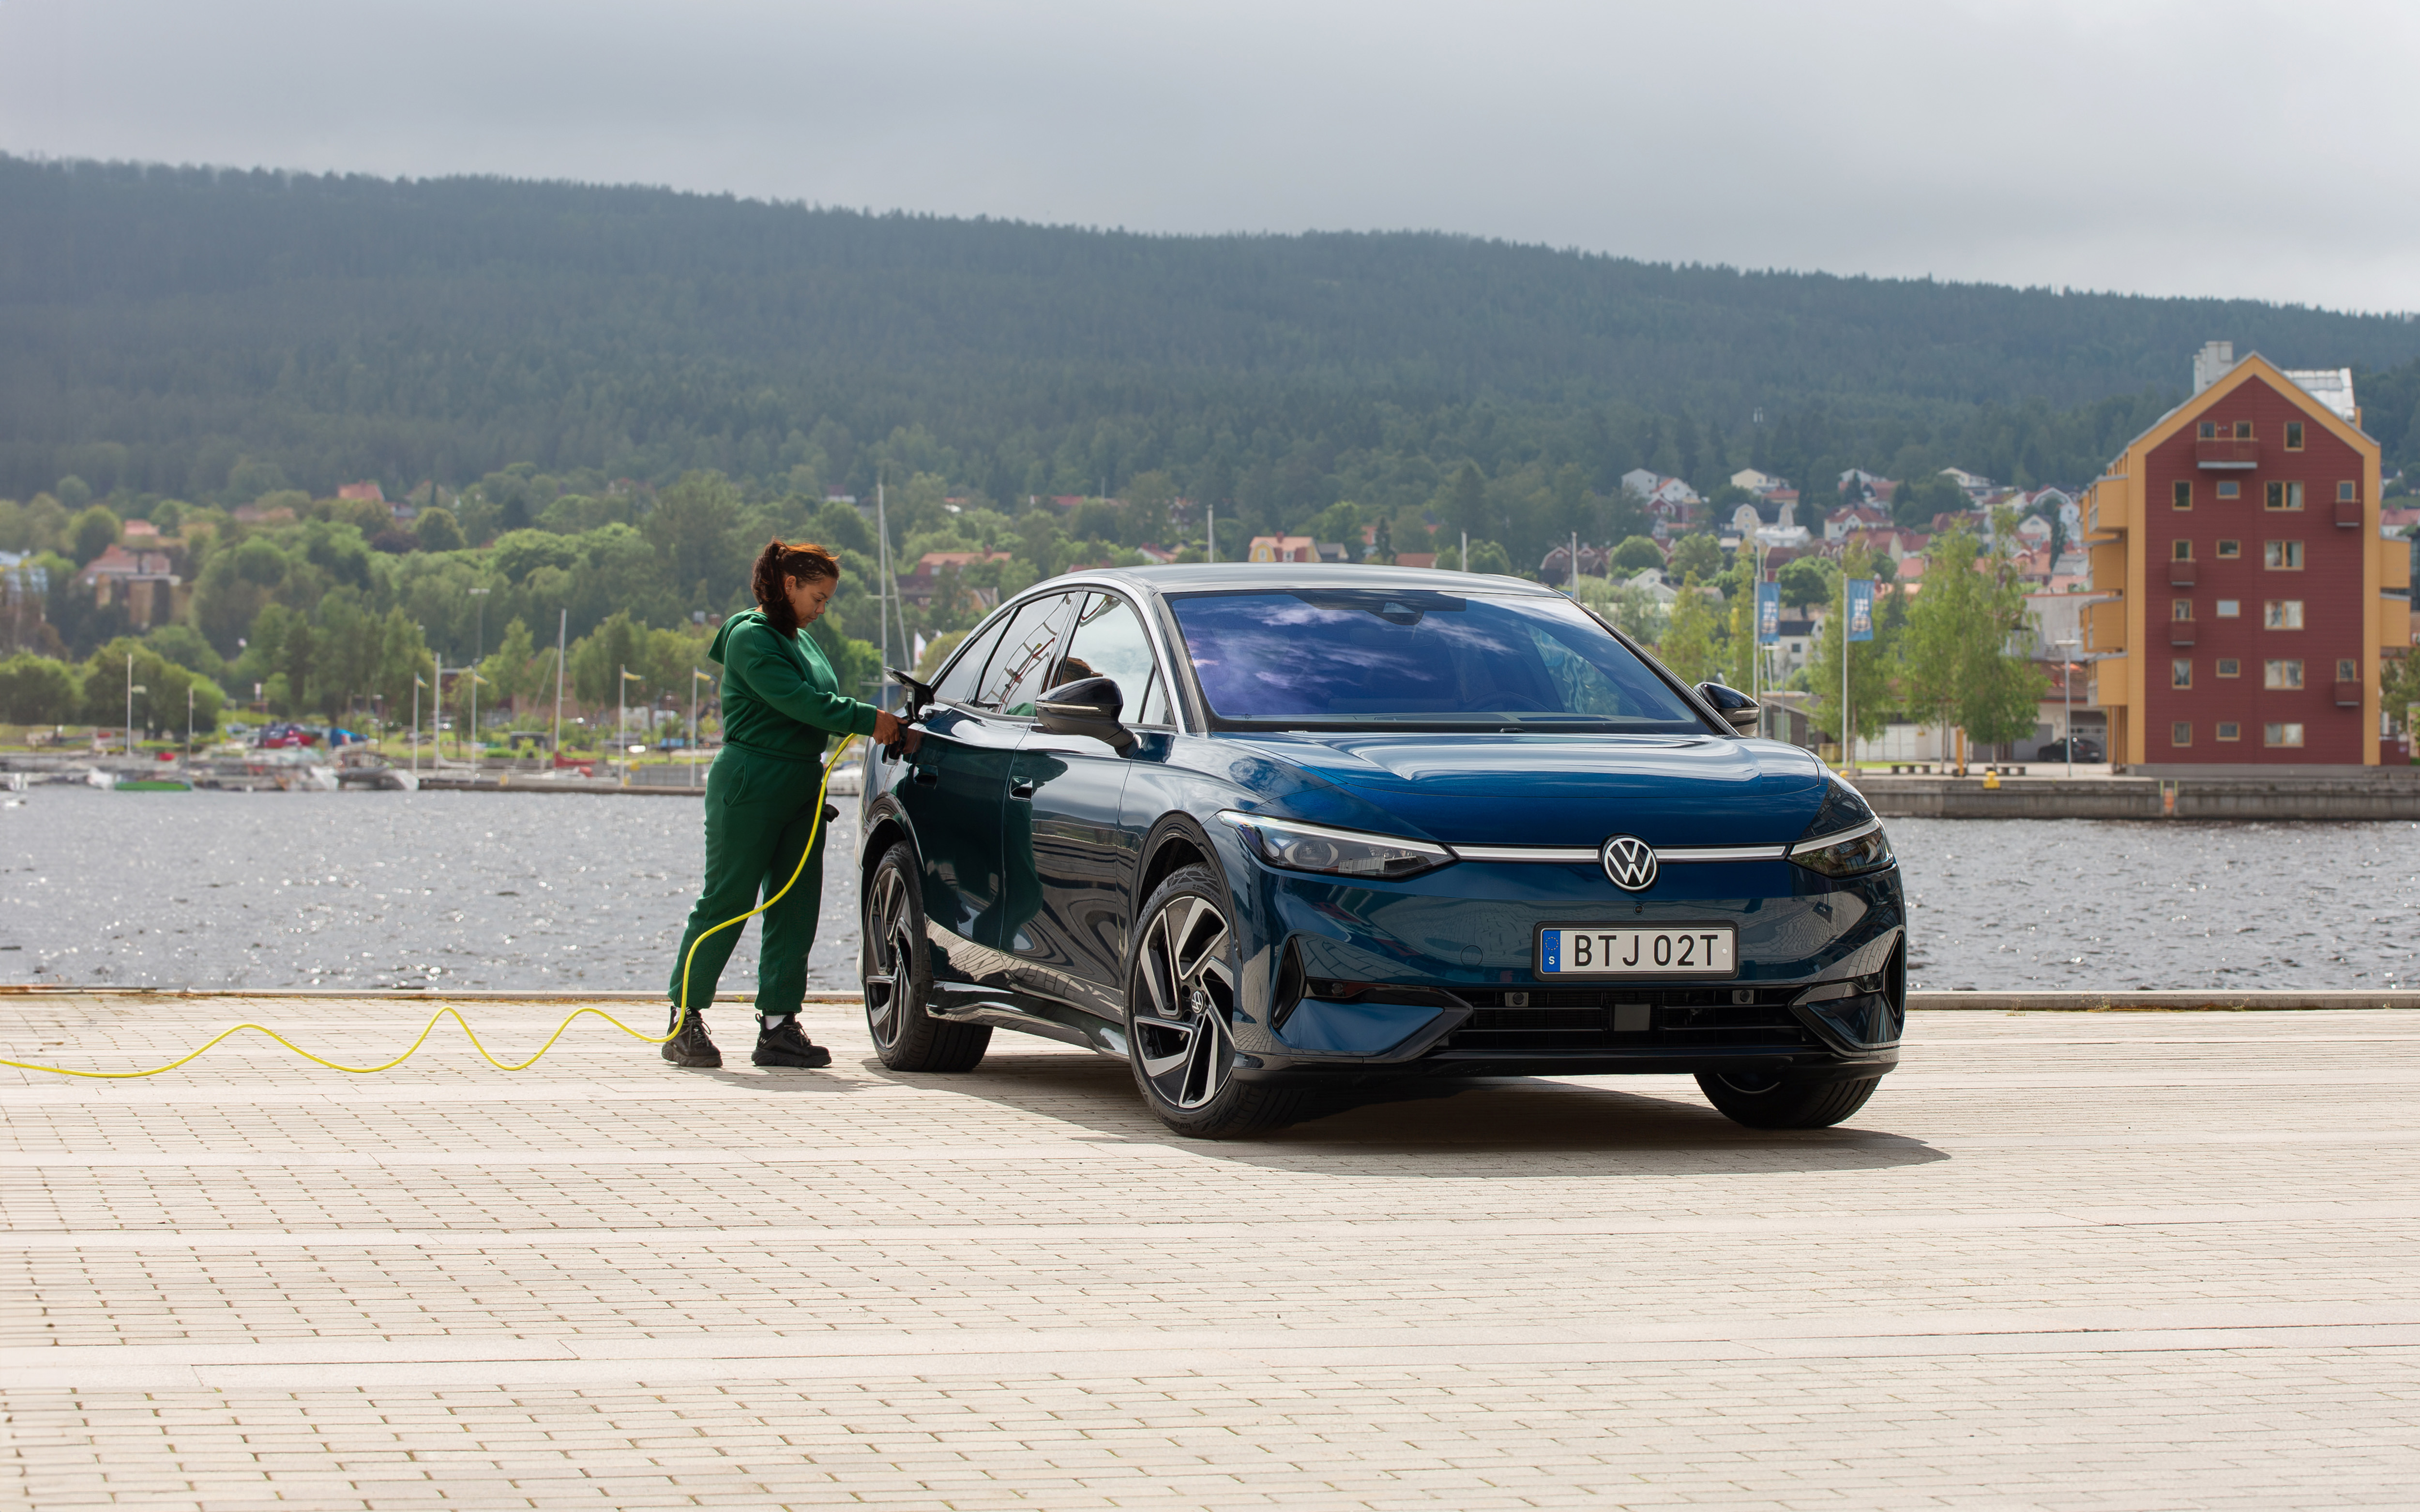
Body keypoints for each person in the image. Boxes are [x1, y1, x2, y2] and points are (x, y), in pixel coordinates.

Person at [662, 539, 920, 1069]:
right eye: (817, 597)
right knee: (727, 899)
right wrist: (869, 719)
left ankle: (778, 1025)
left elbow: (816, 701)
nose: (821, 609)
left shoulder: (800, 640)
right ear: (789, 585)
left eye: (827, 600)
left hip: (801, 785)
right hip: (750, 781)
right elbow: (801, 701)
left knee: (796, 906)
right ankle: (684, 1017)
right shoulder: (749, 637)